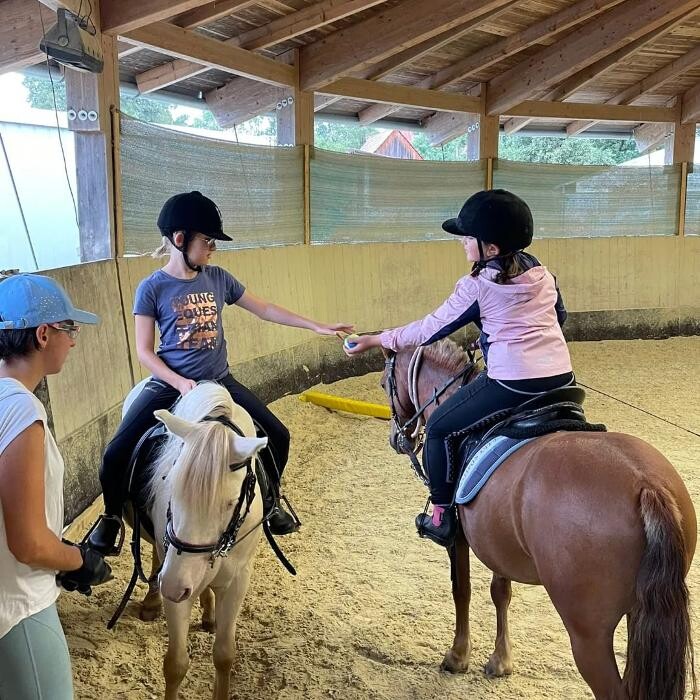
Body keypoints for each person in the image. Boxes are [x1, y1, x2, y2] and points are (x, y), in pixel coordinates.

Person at [89, 191, 353, 555]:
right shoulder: (152, 288)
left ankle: (272, 500)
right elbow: (144, 352)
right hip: (172, 384)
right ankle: (111, 518)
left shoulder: (218, 279)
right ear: (180, 240)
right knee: (114, 453)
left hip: (220, 381)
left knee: (278, 433)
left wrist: (316, 326)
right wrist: (180, 382)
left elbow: (265, 309)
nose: (212, 248)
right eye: (207, 241)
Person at [344, 190, 573, 546]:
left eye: (469, 238)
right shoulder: (541, 272)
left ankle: (440, 515)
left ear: (491, 249)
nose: (463, 243)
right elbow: (559, 318)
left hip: (512, 383)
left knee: (437, 428)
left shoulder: (477, 287)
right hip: (562, 378)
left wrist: (377, 340)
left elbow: (429, 330)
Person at [0, 273, 112, 700]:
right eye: (70, 329)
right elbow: (26, 543)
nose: (75, 340)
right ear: (44, 334)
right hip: (19, 608)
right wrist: (76, 560)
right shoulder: (21, 409)